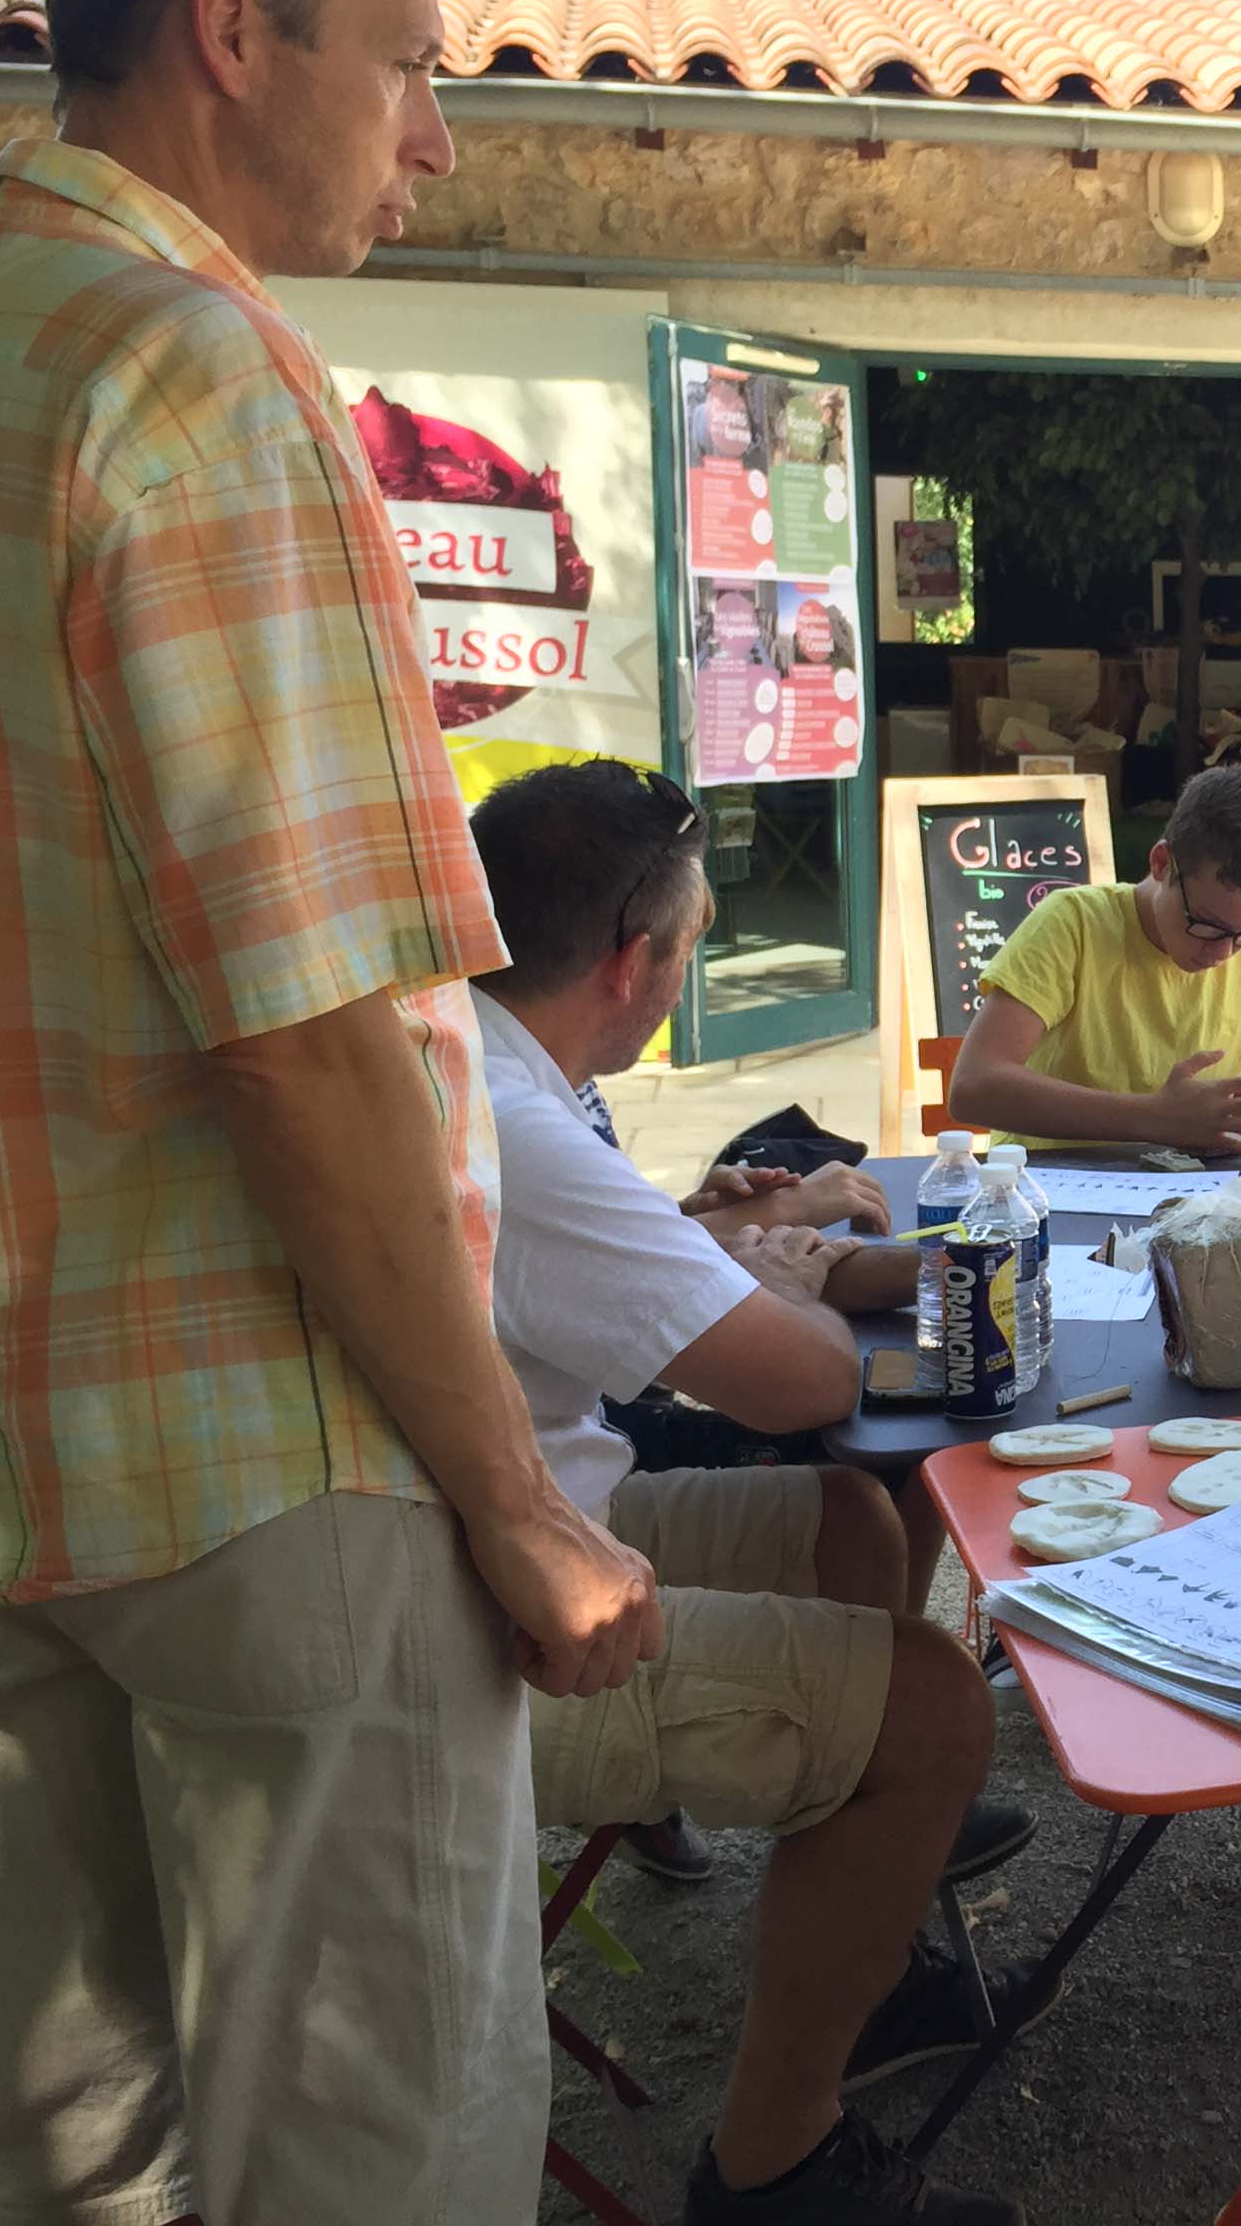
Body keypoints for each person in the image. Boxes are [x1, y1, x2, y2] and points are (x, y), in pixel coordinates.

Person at [0, 0, 666, 2218]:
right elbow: (309, 1024)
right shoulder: (204, 379)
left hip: (0, 1456)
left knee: (72, 2145)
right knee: (377, 2150)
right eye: (407, 61)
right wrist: (517, 1501)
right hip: (268, 1449)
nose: (432, 136)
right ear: (228, 30)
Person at [465, 761, 1036, 2226]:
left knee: (870, 1513)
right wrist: (778, 1277)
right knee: (937, 1704)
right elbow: (799, 1388)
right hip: (491, 1632)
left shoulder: (481, 1058)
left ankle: (863, 1916)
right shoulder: (518, 1129)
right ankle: (774, 2171)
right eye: (699, 932)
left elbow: (638, 1278)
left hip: (534, 1518)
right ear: (634, 961)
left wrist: (761, 1250)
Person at [948, 763, 1241, 1155]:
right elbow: (973, 1086)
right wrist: (1156, 1118)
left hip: (1186, 1202)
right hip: (1053, 1194)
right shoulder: (1073, 924)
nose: (1224, 952)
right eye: (1207, 926)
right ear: (1161, 864)